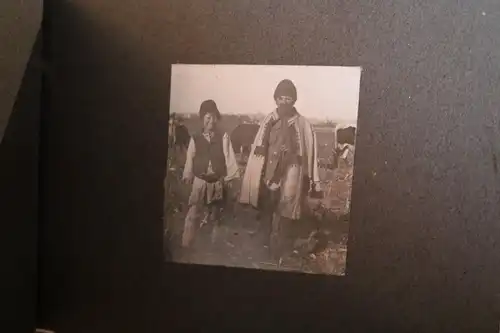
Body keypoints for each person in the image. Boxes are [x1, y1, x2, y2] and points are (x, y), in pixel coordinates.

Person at [239, 79, 321, 261]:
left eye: (289, 98)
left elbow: (311, 154)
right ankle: (262, 248)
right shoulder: (268, 121)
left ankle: (282, 251)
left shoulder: (303, 125)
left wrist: (312, 181)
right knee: (266, 211)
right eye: (281, 98)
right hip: (268, 175)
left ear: (294, 101)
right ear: (276, 99)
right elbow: (258, 149)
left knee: (286, 214)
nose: (285, 102)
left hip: (291, 176)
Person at [181, 100, 239, 248]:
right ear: (202, 119)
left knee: (216, 214)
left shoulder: (223, 137)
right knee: (194, 211)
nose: (210, 121)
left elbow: (229, 157)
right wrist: (188, 174)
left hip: (217, 182)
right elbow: (190, 157)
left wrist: (230, 177)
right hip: (200, 182)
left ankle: (215, 246)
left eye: (213, 117)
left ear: (217, 119)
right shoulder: (195, 138)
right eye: (207, 118)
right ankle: (187, 244)